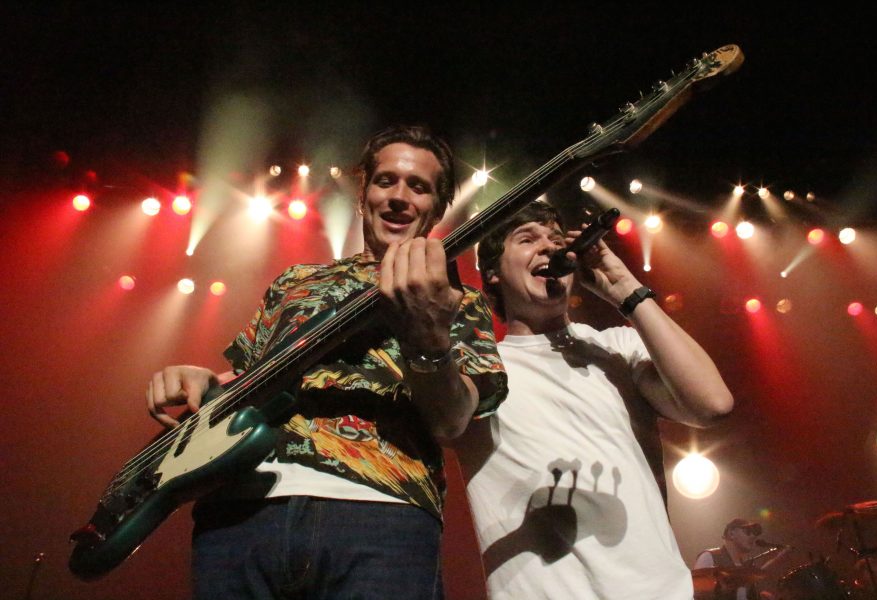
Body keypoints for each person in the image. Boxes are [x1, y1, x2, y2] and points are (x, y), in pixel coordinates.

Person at [145, 125, 508, 599]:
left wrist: (427, 336)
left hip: (380, 516)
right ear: (363, 195)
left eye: (417, 187)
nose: (399, 197)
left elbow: (452, 421)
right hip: (242, 513)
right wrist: (201, 379)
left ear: (437, 209)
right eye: (385, 181)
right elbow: (245, 382)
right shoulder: (295, 281)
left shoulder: (459, 301)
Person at [456, 201, 734, 599]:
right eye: (527, 239)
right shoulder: (481, 369)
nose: (548, 248)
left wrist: (625, 289)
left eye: (555, 240)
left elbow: (713, 404)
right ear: (494, 273)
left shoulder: (617, 346)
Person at [694, 518, 791, 600]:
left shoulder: (747, 570)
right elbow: (696, 594)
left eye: (755, 533)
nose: (753, 536)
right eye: (747, 531)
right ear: (731, 533)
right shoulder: (709, 557)